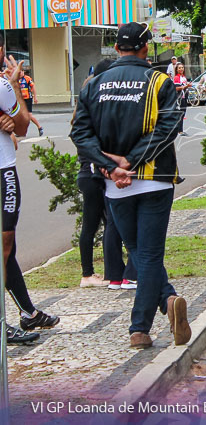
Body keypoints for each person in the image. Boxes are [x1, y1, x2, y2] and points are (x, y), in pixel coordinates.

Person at [70, 21, 191, 350]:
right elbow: (170, 126)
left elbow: (80, 134)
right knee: (148, 255)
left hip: (113, 186)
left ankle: (164, 302)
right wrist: (132, 162)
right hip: (154, 180)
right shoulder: (160, 81)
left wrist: (112, 165)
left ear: (117, 48)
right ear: (145, 47)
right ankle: (142, 325)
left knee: (139, 252)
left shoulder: (93, 84)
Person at [0, 49, 59, 344]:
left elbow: (21, 126)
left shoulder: (1, 86)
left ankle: (28, 313)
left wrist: (12, 87)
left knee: (6, 246)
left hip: (3, 172)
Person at [77, 59, 137, 291]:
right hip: (99, 174)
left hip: (94, 173)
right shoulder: (100, 104)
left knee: (106, 224)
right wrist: (113, 164)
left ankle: (112, 274)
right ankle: (124, 274)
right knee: (115, 223)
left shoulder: (89, 100)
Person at [15, 66, 43, 136]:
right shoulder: (17, 80)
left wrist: (35, 97)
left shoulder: (27, 79)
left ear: (23, 72)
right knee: (20, 116)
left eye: (21, 72)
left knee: (29, 116)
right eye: (19, 72)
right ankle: (21, 132)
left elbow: (33, 87)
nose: (20, 73)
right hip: (21, 100)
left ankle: (40, 127)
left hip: (28, 99)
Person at [172, 63, 190, 136]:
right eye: (179, 68)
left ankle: (180, 130)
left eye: (182, 67)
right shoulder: (176, 77)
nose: (181, 69)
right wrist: (185, 86)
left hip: (184, 96)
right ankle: (179, 131)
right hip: (179, 97)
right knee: (180, 113)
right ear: (177, 69)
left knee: (183, 113)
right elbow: (176, 88)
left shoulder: (183, 77)